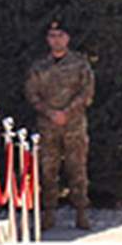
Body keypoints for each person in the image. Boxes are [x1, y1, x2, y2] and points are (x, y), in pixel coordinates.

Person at [25, 19, 95, 229]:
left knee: (78, 170)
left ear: (68, 38)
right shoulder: (39, 67)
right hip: (48, 126)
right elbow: (31, 93)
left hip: (74, 124)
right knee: (48, 171)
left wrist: (67, 112)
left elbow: (87, 92)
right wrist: (50, 113)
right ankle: (48, 214)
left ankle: (82, 213)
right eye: (52, 36)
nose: (56, 40)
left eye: (60, 36)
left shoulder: (80, 64)